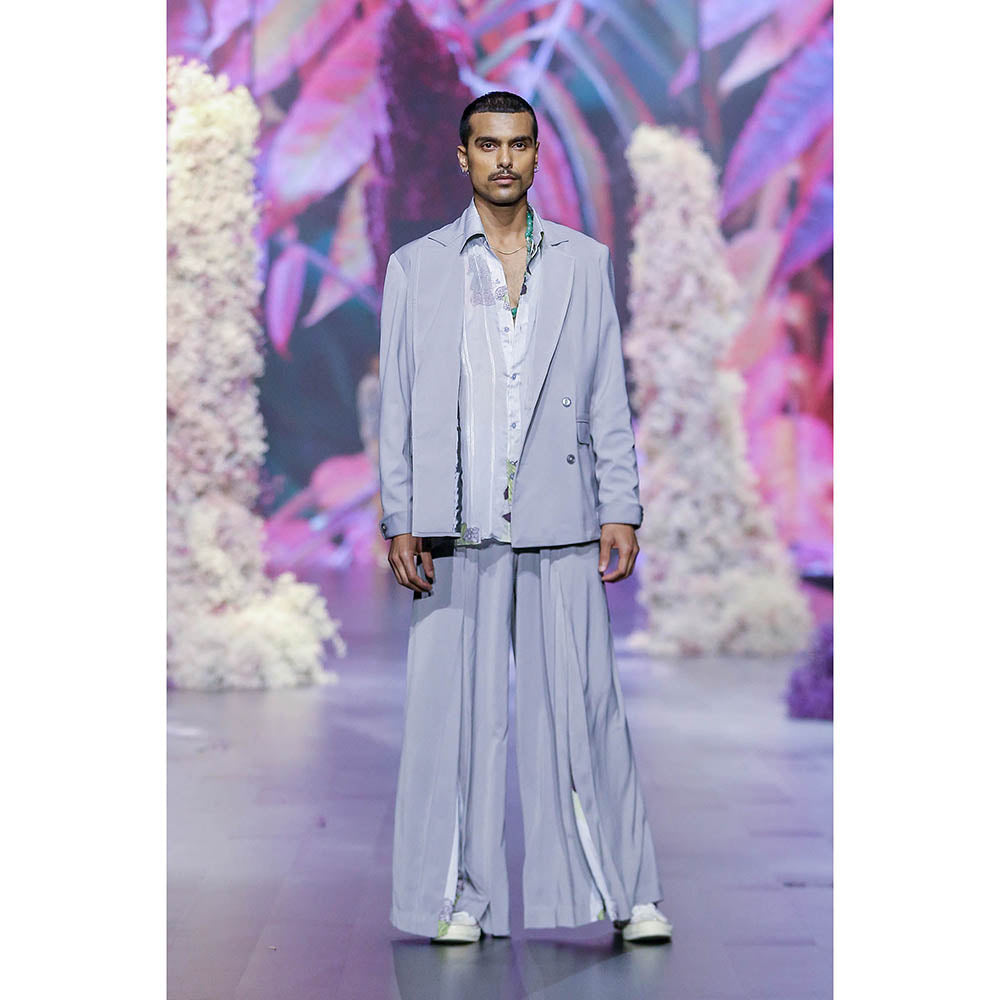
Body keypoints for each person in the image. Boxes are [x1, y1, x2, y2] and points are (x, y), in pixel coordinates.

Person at [377, 91, 672, 945]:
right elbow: (398, 402)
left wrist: (621, 504)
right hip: (455, 522)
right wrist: (401, 514)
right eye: (487, 145)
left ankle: (628, 894)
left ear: (538, 155)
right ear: (462, 156)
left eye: (518, 145)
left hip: (560, 516)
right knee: (455, 721)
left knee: (585, 708)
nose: (503, 160)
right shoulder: (418, 267)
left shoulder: (583, 261)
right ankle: (455, 900)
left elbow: (608, 392)